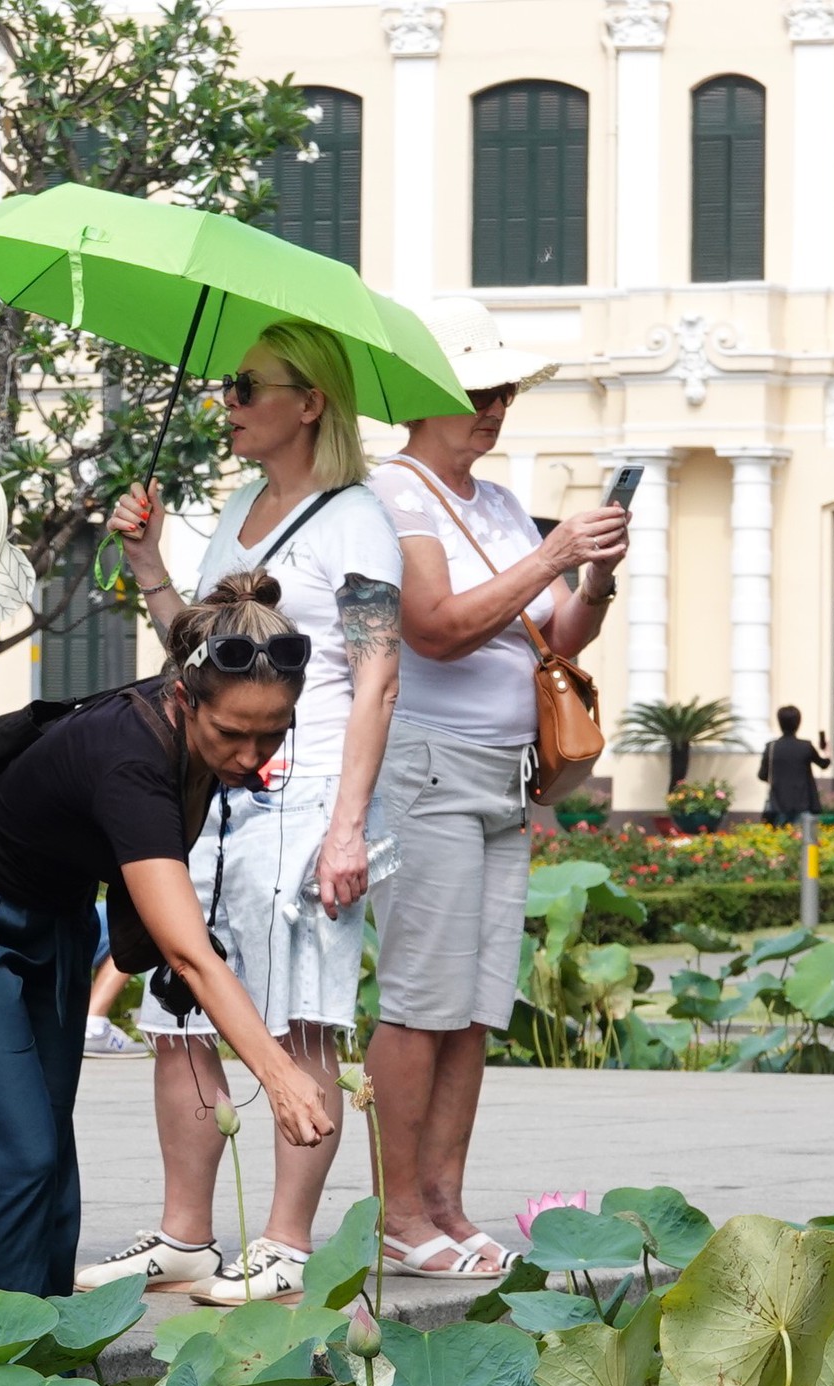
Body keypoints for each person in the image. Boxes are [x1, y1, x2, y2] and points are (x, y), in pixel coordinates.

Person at [0, 572, 337, 1302]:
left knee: (50, 1151)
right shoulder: (132, 755)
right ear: (184, 696)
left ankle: (48, 1354)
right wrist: (281, 1074)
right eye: (232, 733)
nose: (251, 754)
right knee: (16, 1156)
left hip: (54, 914)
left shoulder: (194, 739)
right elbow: (189, 952)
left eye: (272, 733)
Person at [77, 319, 402, 1304]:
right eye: (225, 386)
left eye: (246, 387)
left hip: (307, 793)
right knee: (180, 1009)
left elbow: (379, 673)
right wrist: (146, 560)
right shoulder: (235, 512)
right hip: (210, 790)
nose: (229, 402)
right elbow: (196, 646)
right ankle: (184, 1231)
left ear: (308, 403)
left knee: (303, 1016)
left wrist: (348, 825)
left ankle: (285, 1240)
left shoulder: (355, 518)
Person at [361, 297, 629, 1279]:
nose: (495, 406)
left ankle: (445, 1200)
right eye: (479, 390)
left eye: (504, 389)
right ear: (424, 394)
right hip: (423, 763)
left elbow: (556, 634)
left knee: (475, 1001)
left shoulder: (499, 504)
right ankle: (399, 1212)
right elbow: (432, 624)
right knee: (420, 997)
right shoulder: (392, 494)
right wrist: (557, 553)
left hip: (502, 774)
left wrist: (590, 575)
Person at [759, 707, 831, 827]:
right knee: (805, 841)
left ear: (780, 722)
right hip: (803, 803)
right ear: (798, 723)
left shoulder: (771, 747)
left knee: (779, 841)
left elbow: (762, 775)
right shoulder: (806, 746)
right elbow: (824, 764)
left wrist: (778, 780)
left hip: (778, 804)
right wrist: (826, 751)